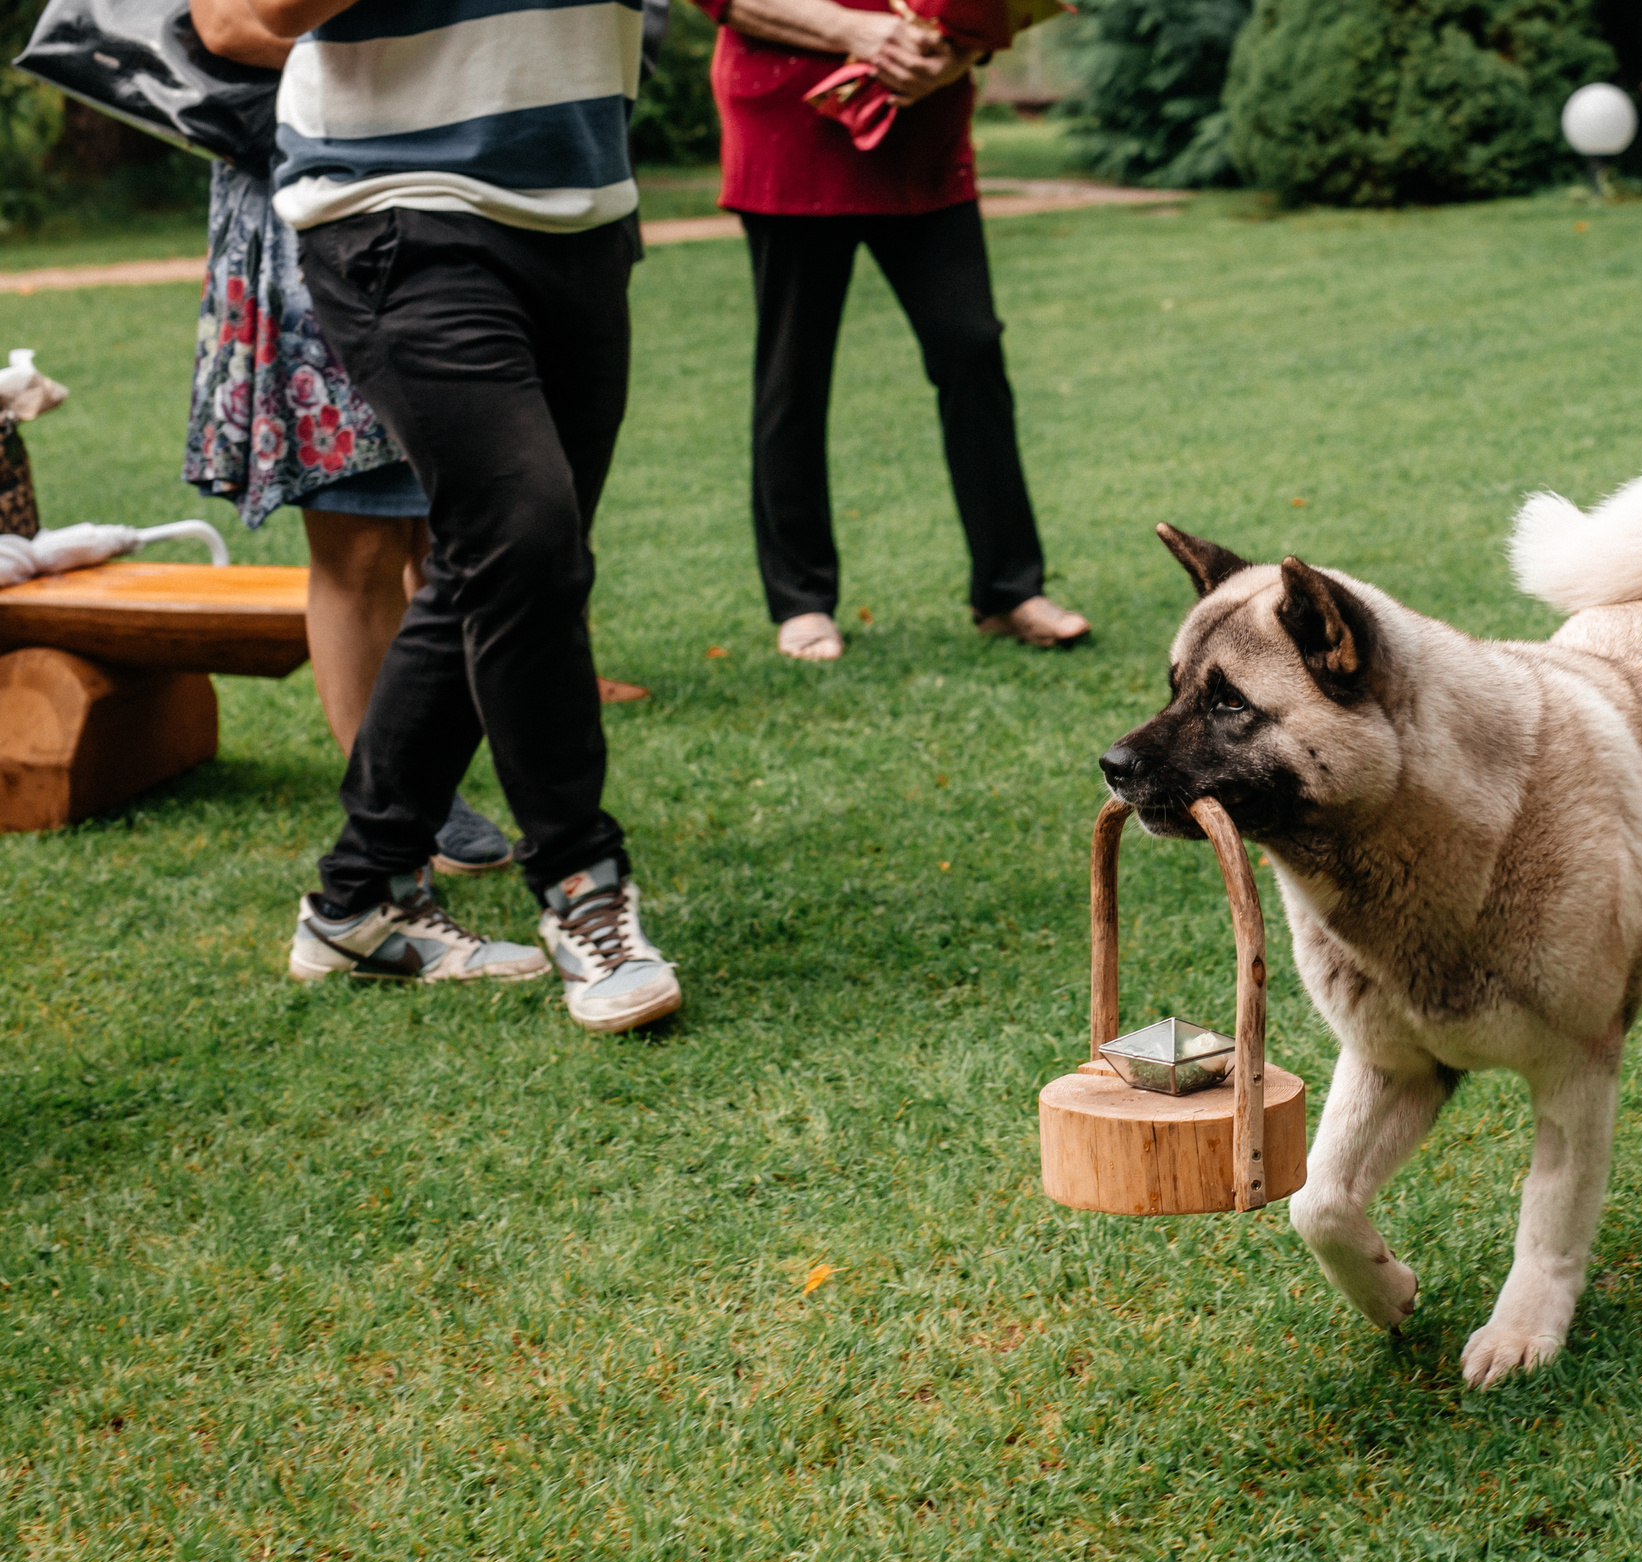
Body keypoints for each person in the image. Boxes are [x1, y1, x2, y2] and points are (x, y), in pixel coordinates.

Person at [250, 0, 682, 1033]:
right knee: (523, 536)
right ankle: (583, 885)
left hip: (581, 208)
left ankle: (357, 898)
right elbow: (237, 19)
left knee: (500, 558)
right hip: (398, 207)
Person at [184, 0, 513, 873]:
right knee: (361, 533)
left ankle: (425, 775)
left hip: (450, 196)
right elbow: (224, 25)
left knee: (449, 529)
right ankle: (398, 803)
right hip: (319, 200)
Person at [692, 0, 1090, 660]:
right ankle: (802, 601)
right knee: (795, 370)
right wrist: (858, 32)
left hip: (922, 128)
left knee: (972, 346)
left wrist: (952, 53)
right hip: (791, 123)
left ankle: (1008, 589)